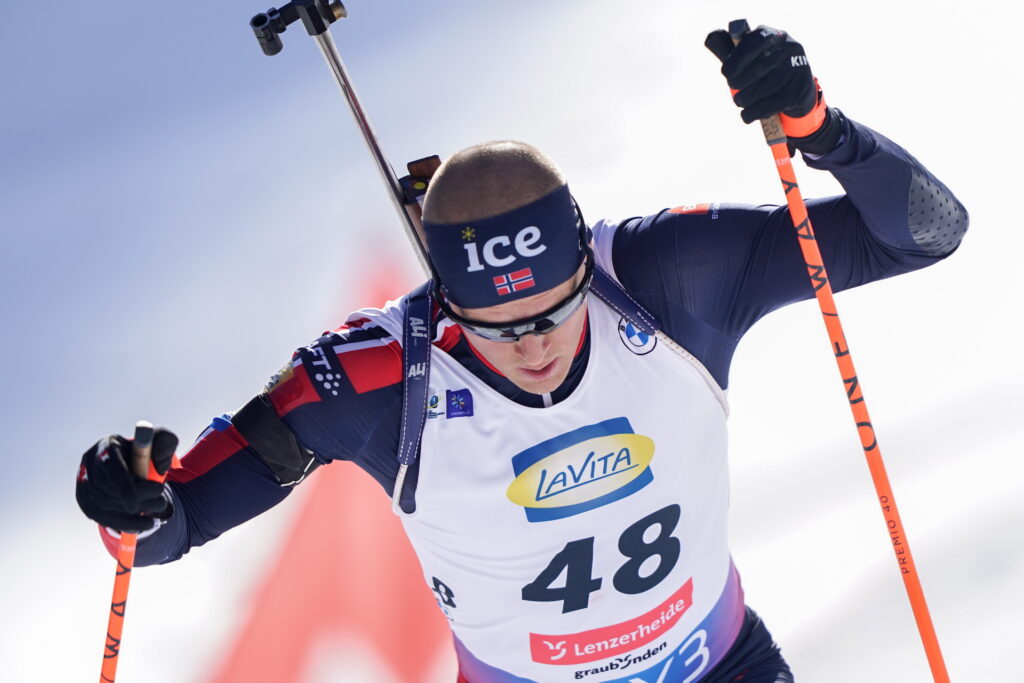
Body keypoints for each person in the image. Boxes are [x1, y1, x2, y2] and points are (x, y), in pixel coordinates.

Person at [75, 23, 967, 683]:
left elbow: (926, 234)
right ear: (444, 297)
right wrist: (127, 495)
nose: (535, 343)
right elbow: (163, 533)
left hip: (719, 664)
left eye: (555, 307)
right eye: (497, 328)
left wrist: (820, 129)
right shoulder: (374, 377)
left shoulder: (669, 276)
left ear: (585, 258)